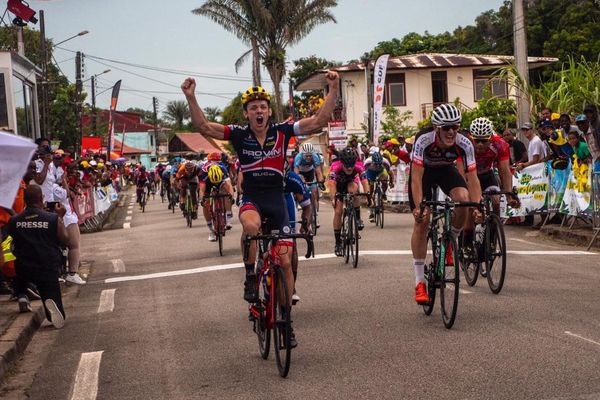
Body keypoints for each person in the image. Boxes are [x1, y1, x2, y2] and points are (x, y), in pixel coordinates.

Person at [182, 71, 340, 347]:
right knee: (252, 227)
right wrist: (190, 96)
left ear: (268, 112)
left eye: (263, 107)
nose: (259, 111)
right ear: (246, 114)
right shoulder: (239, 135)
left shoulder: (283, 131)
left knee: (285, 261)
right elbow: (204, 126)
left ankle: (286, 322)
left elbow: (319, 121)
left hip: (277, 199)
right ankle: (250, 275)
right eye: (253, 107)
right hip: (253, 197)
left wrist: (334, 87)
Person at [409, 104, 481, 304]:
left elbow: (472, 178)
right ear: (436, 128)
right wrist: (418, 207)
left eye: (455, 127)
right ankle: (419, 282)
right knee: (422, 221)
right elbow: (416, 177)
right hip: (424, 173)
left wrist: (477, 207)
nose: (451, 132)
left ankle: (451, 241)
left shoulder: (464, 143)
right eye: (446, 128)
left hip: (445, 171)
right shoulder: (423, 140)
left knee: (464, 200)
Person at [4, 186, 68, 328]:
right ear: (41, 199)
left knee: (18, 271)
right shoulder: (52, 218)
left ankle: (22, 296)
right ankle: (51, 305)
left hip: (24, 268)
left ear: (25, 200)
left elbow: (11, 238)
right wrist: (61, 218)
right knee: (49, 291)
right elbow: (65, 240)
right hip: (48, 266)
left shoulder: (14, 220)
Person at [327, 147, 370, 256]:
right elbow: (332, 184)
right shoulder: (335, 166)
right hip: (339, 185)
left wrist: (368, 195)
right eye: (347, 166)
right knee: (338, 212)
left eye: (352, 165)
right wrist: (333, 197)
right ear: (342, 163)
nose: (350, 169)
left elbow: (364, 181)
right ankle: (337, 243)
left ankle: (358, 218)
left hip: (351, 183)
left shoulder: (359, 166)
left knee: (353, 191)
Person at [199, 163, 235, 241]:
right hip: (208, 183)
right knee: (206, 203)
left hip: (221, 181)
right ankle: (211, 229)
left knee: (226, 195)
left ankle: (228, 217)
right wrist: (202, 200)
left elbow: (229, 186)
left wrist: (231, 197)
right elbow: (201, 190)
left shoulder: (223, 170)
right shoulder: (203, 173)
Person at [364, 150, 394, 222]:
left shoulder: (385, 162)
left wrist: (391, 182)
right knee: (370, 191)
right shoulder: (367, 162)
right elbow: (363, 175)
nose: (377, 165)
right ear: (372, 161)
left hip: (381, 172)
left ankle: (383, 193)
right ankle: (371, 211)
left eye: (379, 164)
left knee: (384, 180)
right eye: (376, 164)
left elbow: (391, 173)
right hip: (371, 173)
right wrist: (367, 183)